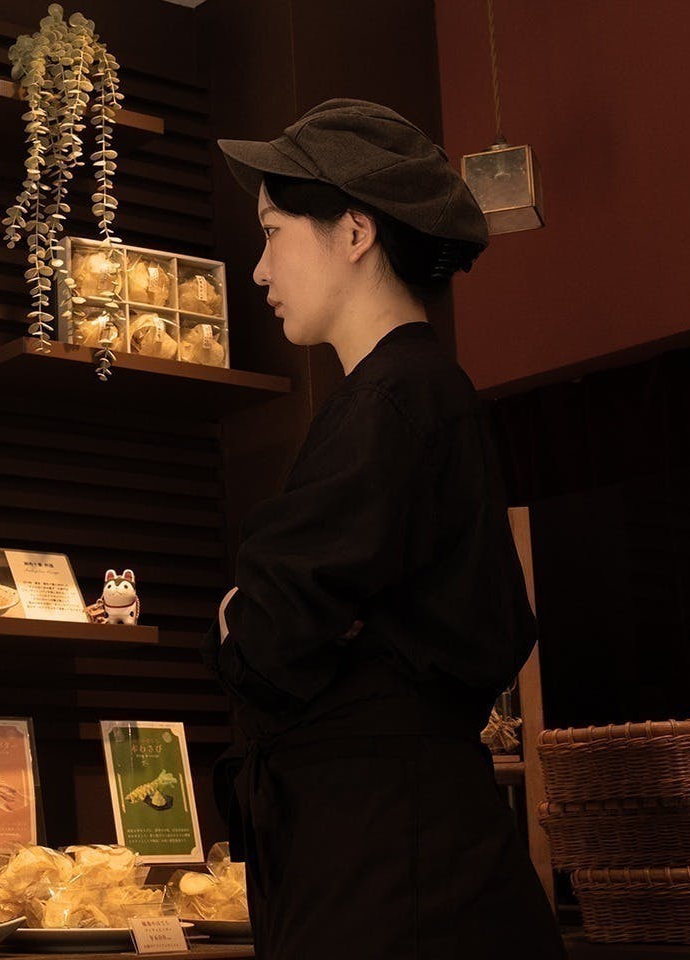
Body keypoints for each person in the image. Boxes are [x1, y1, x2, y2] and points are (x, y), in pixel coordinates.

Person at [202, 99, 567, 960]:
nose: (259, 270)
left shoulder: (395, 401)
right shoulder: (411, 394)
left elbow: (263, 633)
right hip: (403, 859)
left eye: (273, 232)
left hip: (393, 880)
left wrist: (244, 617)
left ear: (356, 232)